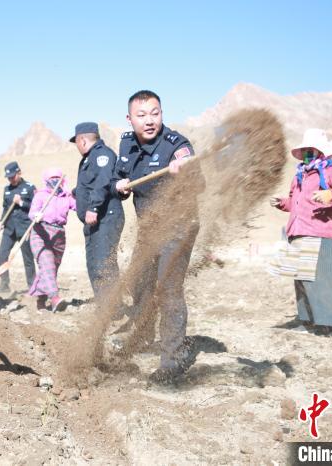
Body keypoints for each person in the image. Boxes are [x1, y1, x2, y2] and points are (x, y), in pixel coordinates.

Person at [112, 90, 200, 383]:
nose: (150, 121)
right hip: (150, 228)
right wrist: (119, 184)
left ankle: (174, 358)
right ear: (130, 118)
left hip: (179, 226)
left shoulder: (177, 145)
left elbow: (196, 177)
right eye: (142, 115)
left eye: (155, 113)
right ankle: (143, 336)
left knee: (168, 290)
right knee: (140, 283)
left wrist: (184, 172)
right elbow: (117, 177)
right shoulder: (126, 143)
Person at [269, 128, 332, 336]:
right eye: (305, 151)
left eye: (311, 150)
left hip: (321, 231)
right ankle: (308, 320)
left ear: (320, 152)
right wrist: (282, 203)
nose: (308, 154)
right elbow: (295, 203)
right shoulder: (299, 175)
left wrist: (330, 194)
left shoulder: (331, 171)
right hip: (298, 231)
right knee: (302, 279)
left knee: (325, 279)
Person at [70, 122, 125, 297]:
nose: (77, 146)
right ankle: (104, 305)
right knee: (93, 265)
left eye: (76, 142)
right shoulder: (89, 158)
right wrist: (75, 193)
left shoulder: (102, 155)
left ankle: (113, 307)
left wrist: (93, 207)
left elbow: (103, 182)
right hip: (94, 223)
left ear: (83, 141)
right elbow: (89, 185)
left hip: (105, 218)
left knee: (104, 264)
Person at [27, 168, 76, 311]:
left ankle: (40, 299)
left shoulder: (66, 197)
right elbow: (32, 212)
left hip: (59, 235)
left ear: (62, 180)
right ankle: (54, 298)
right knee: (47, 264)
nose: (54, 180)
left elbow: (79, 207)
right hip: (40, 233)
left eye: (57, 178)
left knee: (50, 270)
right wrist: (36, 215)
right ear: (46, 180)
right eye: (51, 178)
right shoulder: (40, 196)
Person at [0, 161, 36, 293]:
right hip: (9, 229)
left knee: (28, 258)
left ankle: (32, 286)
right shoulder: (7, 190)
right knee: (2, 254)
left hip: (24, 228)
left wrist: (21, 202)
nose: (11, 179)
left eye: (13, 176)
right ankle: (4, 284)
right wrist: (1, 222)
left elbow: (36, 208)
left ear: (19, 173)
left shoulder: (30, 188)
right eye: (8, 177)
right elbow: (5, 208)